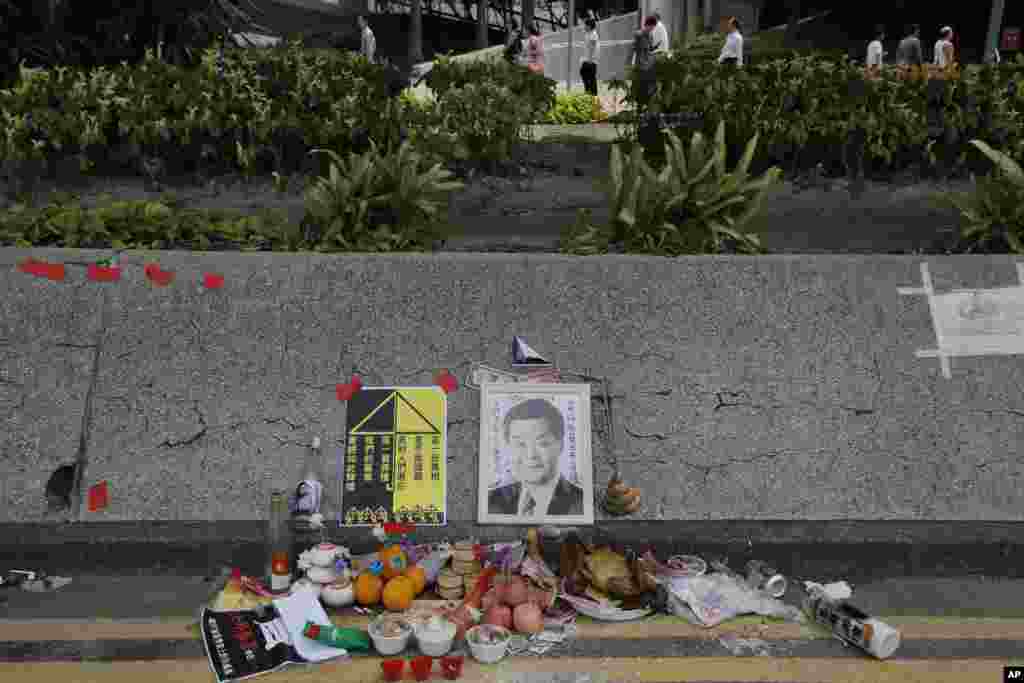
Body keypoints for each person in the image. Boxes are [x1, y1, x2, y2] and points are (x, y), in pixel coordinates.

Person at [487, 398, 584, 517]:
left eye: (542, 443)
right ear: (508, 446)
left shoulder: (581, 504)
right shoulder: (491, 501)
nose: (531, 455)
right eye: (520, 444)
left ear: (560, 445)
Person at [628, 15, 659, 109]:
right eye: (652, 27)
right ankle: (639, 108)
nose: (652, 29)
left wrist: (654, 48)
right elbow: (632, 49)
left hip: (648, 66)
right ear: (648, 25)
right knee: (640, 89)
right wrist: (629, 63)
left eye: (653, 27)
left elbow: (649, 49)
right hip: (640, 66)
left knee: (648, 89)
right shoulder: (638, 34)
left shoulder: (650, 35)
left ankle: (646, 108)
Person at [580, 16, 600, 97]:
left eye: (585, 25)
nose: (584, 27)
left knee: (590, 76)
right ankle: (588, 91)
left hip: (591, 60)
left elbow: (592, 47)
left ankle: (593, 93)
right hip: (587, 59)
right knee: (586, 75)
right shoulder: (588, 34)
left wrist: (590, 60)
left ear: (589, 26)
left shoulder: (593, 34)